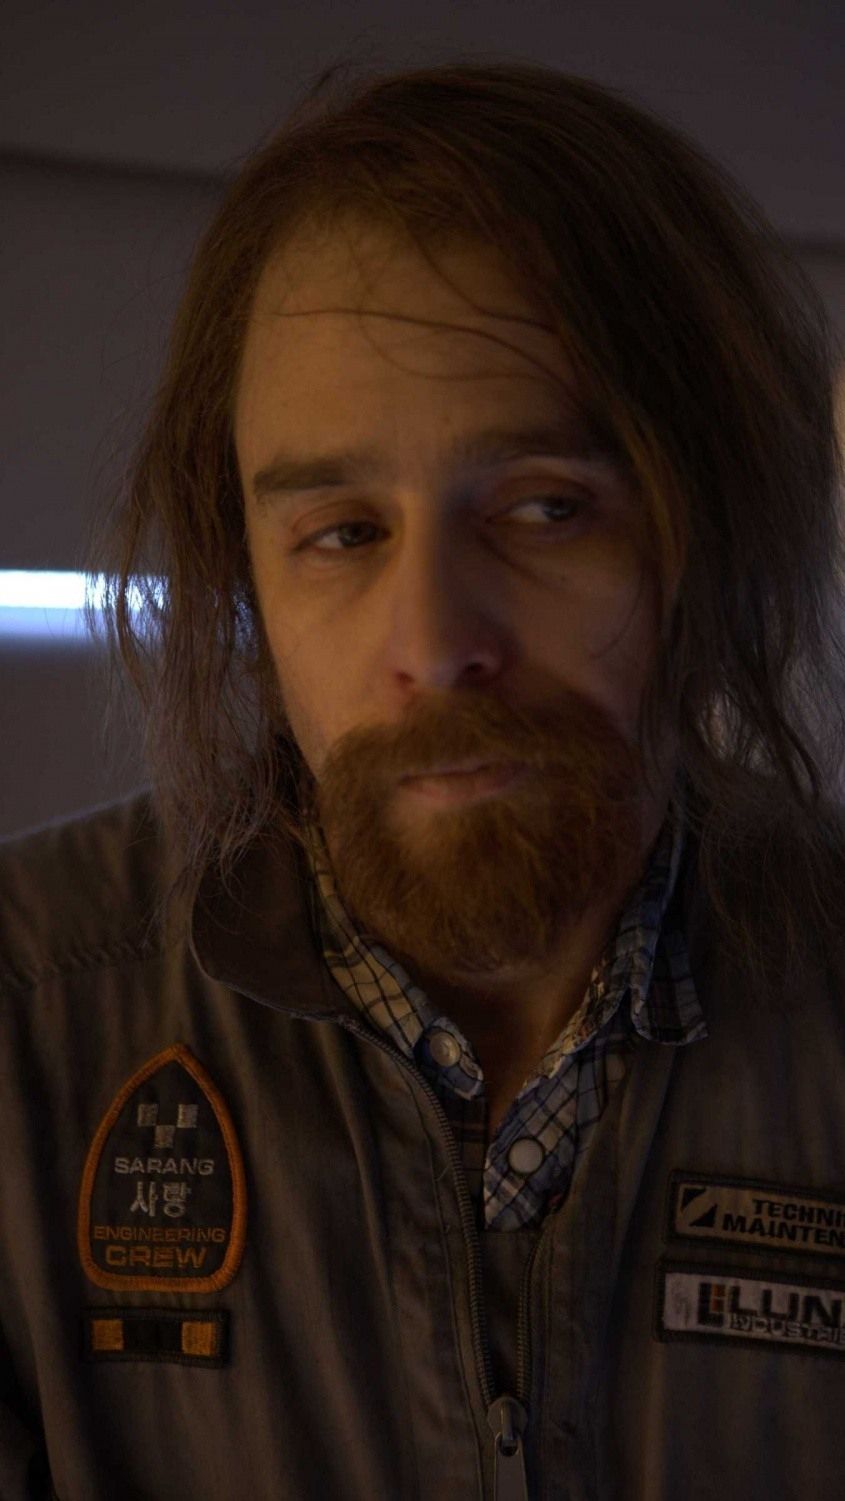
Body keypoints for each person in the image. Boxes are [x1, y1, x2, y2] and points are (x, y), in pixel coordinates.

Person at [2, 55, 845, 1501]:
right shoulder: (26, 1022)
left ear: (712, 527)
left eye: (545, 508)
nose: (436, 644)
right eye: (341, 532)